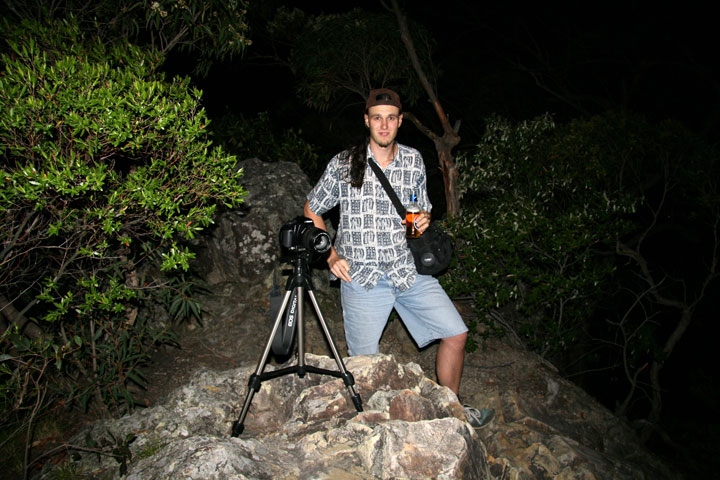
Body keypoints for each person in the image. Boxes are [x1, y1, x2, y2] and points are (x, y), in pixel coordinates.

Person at [303, 88, 494, 429]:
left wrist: (422, 219)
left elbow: (419, 210)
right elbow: (312, 208)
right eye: (377, 117)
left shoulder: (413, 160)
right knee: (364, 368)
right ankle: (372, 426)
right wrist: (330, 255)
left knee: (456, 334)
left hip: (406, 268)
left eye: (391, 117)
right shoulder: (344, 163)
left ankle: (452, 411)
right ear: (367, 121)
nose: (384, 124)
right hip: (361, 277)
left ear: (400, 121)